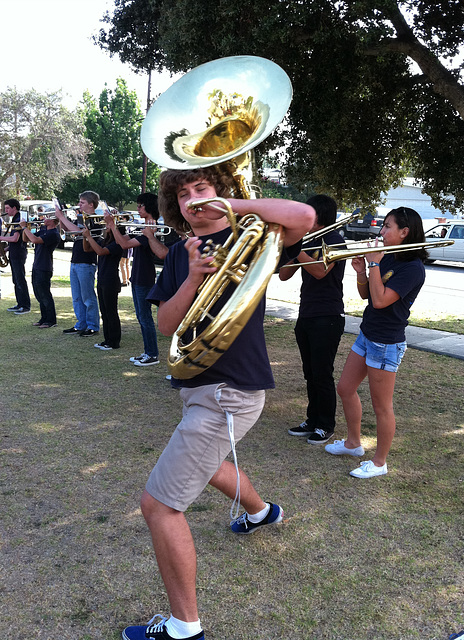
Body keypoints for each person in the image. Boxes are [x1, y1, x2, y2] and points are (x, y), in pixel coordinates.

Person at [121, 167, 315, 640]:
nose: (192, 200)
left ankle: (185, 628)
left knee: (159, 506)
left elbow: (304, 214)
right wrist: (191, 278)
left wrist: (234, 207)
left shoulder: (254, 231)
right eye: (184, 194)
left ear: (220, 191)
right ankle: (262, 512)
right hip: (197, 388)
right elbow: (167, 324)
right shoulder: (184, 252)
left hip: (229, 392)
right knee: (206, 465)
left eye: (201, 189)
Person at [325, 206, 427, 478]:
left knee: (382, 406)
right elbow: (367, 295)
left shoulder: (412, 268)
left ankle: (380, 463)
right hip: (368, 333)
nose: (381, 232)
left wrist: (373, 262)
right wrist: (361, 271)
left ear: (405, 232)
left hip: (386, 342)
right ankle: (353, 444)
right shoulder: (388, 257)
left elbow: (382, 301)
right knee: (345, 388)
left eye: (387, 227)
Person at [279, 194, 345, 444]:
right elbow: (284, 276)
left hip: (328, 316)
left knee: (322, 373)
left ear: (319, 217)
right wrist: (292, 251)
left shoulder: (335, 240)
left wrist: (298, 250)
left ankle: (326, 424)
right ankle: (313, 419)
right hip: (306, 314)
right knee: (310, 372)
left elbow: (320, 271)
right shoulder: (307, 241)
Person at [109, 193, 169, 367]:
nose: (137, 208)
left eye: (140, 205)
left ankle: (152, 354)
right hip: (137, 276)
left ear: (149, 207)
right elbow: (123, 240)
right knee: (141, 316)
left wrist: (113, 226)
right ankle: (147, 352)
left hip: (144, 278)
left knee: (145, 317)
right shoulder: (143, 228)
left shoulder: (151, 229)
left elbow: (124, 245)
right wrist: (114, 227)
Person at [55, 192, 101, 337]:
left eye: (82, 202)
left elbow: (78, 231)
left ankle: (93, 325)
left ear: (91, 204)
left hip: (86, 262)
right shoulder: (82, 218)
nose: (79, 205)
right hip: (75, 260)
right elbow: (69, 230)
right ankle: (81, 324)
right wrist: (61, 218)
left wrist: (62, 217)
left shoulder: (95, 220)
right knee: (77, 297)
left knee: (88, 296)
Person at [81, 216, 124, 350]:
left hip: (111, 280)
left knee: (111, 312)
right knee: (104, 311)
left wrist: (89, 236)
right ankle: (107, 340)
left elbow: (100, 252)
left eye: (108, 226)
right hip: (102, 278)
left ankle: (114, 341)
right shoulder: (105, 240)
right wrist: (85, 237)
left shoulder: (117, 243)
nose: (105, 227)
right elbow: (87, 249)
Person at [20, 212, 60, 328]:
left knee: (45, 294)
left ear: (53, 221)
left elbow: (35, 240)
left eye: (47, 217)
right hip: (37, 265)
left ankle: (51, 320)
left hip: (45, 266)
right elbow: (26, 239)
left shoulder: (53, 234)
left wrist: (24, 227)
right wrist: (25, 229)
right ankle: (44, 318)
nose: (44, 218)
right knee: (38, 294)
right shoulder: (43, 230)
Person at [0, 198, 31, 314]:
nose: (6, 210)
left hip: (19, 254)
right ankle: (20, 304)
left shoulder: (19, 218)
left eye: (8, 208)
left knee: (20, 280)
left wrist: (1, 238)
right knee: (16, 280)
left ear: (14, 208)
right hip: (14, 252)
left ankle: (25, 306)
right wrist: (5, 249)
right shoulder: (14, 218)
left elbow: (15, 238)